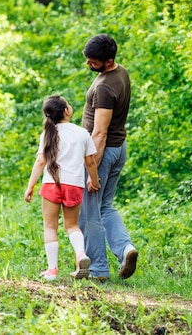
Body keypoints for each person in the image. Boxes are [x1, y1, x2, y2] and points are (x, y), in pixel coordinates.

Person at [79, 33, 138, 281]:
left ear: (108, 60)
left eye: (92, 62)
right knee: (105, 206)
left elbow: (100, 133)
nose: (88, 64)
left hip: (103, 151)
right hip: (119, 147)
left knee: (89, 210)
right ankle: (125, 250)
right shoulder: (120, 72)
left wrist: (92, 170)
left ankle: (98, 270)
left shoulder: (104, 87)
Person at [24, 95, 100, 281]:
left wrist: (30, 186)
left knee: (50, 226)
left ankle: (52, 270)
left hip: (51, 184)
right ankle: (81, 255)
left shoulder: (48, 133)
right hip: (74, 184)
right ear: (66, 111)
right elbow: (90, 161)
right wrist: (94, 180)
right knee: (72, 225)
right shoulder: (82, 133)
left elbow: (41, 161)